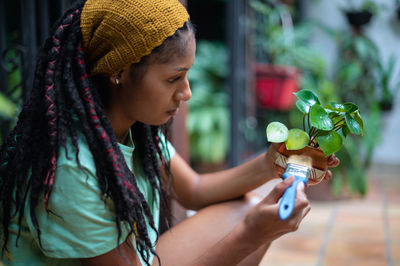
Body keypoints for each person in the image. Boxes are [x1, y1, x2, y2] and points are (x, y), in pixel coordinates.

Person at [0, 0, 339, 265]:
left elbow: (194, 189)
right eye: (174, 79)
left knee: (243, 208)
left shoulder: (130, 130)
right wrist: (251, 235)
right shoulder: (73, 164)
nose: (186, 92)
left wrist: (271, 163)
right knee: (248, 223)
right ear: (119, 72)